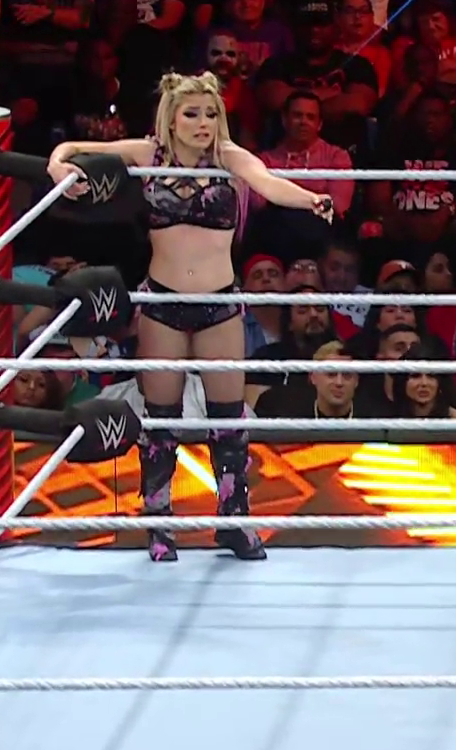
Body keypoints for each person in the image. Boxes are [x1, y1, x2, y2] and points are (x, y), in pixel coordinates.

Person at [45, 71, 334, 562]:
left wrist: (310, 199)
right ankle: (159, 522)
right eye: (193, 114)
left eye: (211, 114)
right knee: (161, 419)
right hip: (162, 303)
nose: (204, 123)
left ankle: (233, 520)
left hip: (219, 303)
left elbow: (267, 181)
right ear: (172, 119)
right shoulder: (149, 154)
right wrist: (58, 167)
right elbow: (74, 147)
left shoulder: (228, 156)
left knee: (229, 419)